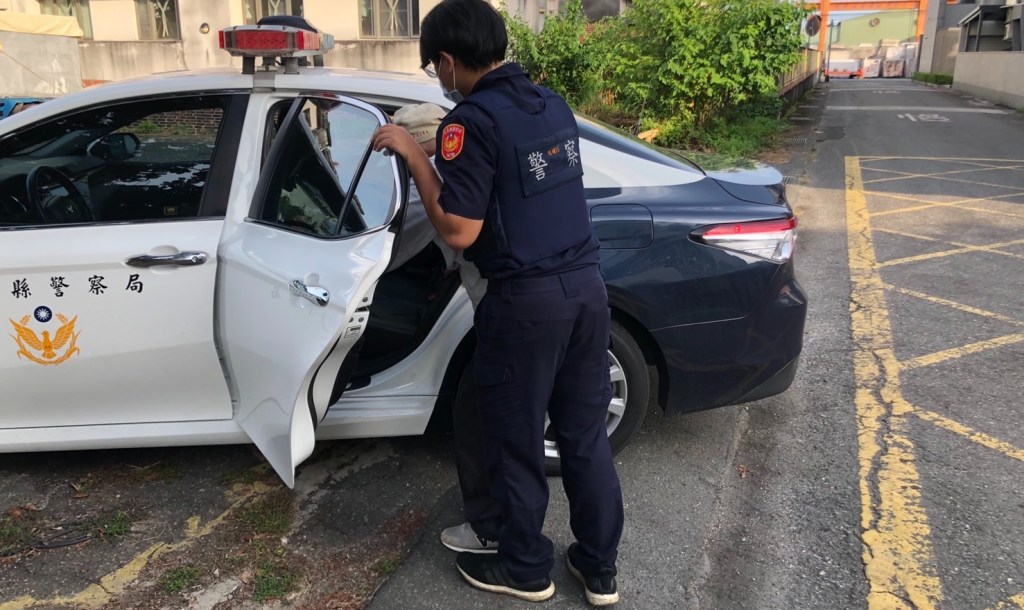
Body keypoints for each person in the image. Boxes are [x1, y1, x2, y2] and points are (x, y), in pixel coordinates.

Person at [372, 0, 623, 605]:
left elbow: (459, 230)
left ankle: (526, 569)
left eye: (434, 66)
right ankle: (599, 568)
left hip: (526, 305)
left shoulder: (469, 123)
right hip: (587, 292)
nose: (438, 77)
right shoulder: (550, 104)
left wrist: (415, 154)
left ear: (448, 60)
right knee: (584, 435)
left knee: (513, 440)